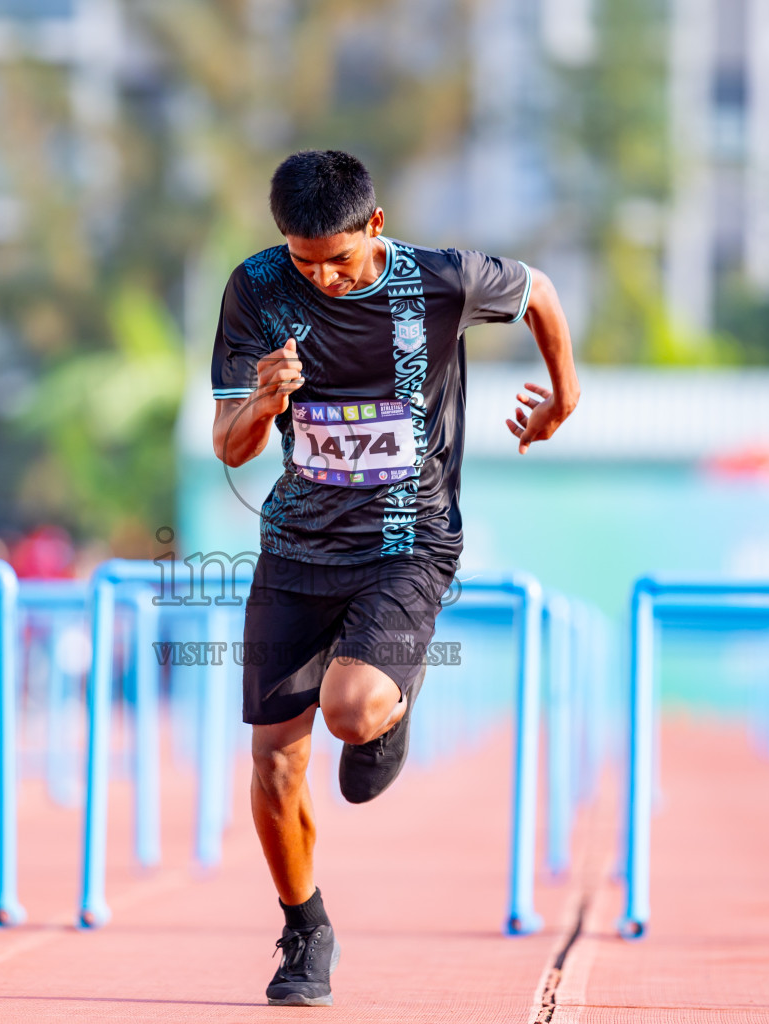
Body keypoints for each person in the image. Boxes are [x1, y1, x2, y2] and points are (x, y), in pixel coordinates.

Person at [210, 150, 579, 1007]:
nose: (323, 279)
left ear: (375, 227)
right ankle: (306, 931)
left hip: (408, 542)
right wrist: (264, 402)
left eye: (338, 260)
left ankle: (387, 707)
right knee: (272, 765)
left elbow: (543, 293)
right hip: (297, 546)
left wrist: (562, 401)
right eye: (305, 262)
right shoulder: (257, 291)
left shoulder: (442, 280)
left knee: (349, 710)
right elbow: (230, 446)